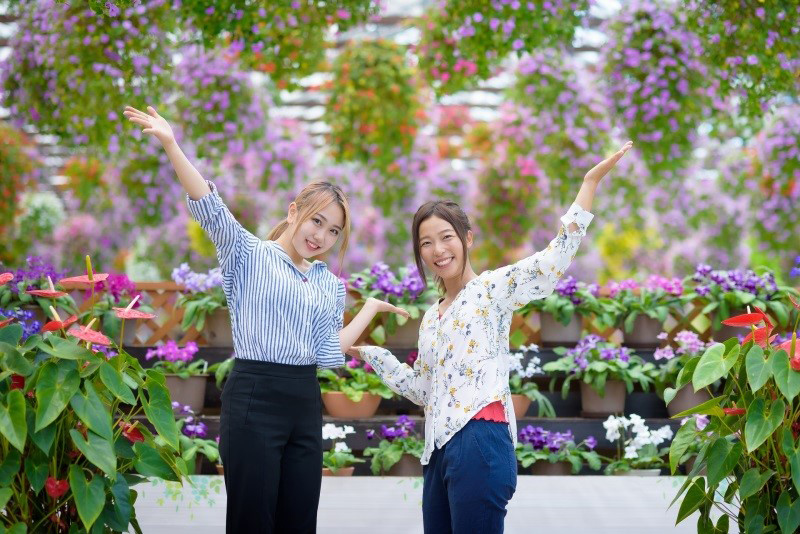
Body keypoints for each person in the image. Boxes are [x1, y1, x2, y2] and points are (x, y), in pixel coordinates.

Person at [124, 105, 408, 533]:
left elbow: (328, 352)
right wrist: (171, 143)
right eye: (317, 221)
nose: (322, 237)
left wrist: (367, 307)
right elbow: (209, 205)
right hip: (254, 397)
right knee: (252, 521)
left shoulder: (327, 284)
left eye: (333, 232)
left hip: (303, 401)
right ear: (294, 211)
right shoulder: (249, 254)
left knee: (299, 523)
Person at [348, 142, 634, 533]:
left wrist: (589, 182)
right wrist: (372, 354)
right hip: (438, 450)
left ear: (468, 238)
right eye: (426, 242)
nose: (437, 249)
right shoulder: (431, 317)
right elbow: (425, 389)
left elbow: (552, 261)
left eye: (446, 237)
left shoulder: (492, 289)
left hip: (481, 438)